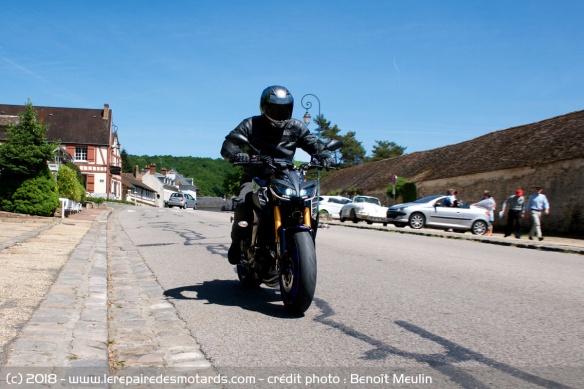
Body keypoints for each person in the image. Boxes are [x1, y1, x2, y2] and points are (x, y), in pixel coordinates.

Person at [221, 85, 333, 264]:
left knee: (307, 200)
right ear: (264, 107)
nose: (279, 113)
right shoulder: (251, 124)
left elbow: (313, 143)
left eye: (284, 109)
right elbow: (229, 143)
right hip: (256, 176)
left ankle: (304, 245)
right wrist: (236, 153)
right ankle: (237, 243)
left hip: (285, 176)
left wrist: (324, 155)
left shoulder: (296, 126)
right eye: (275, 109)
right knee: (244, 201)